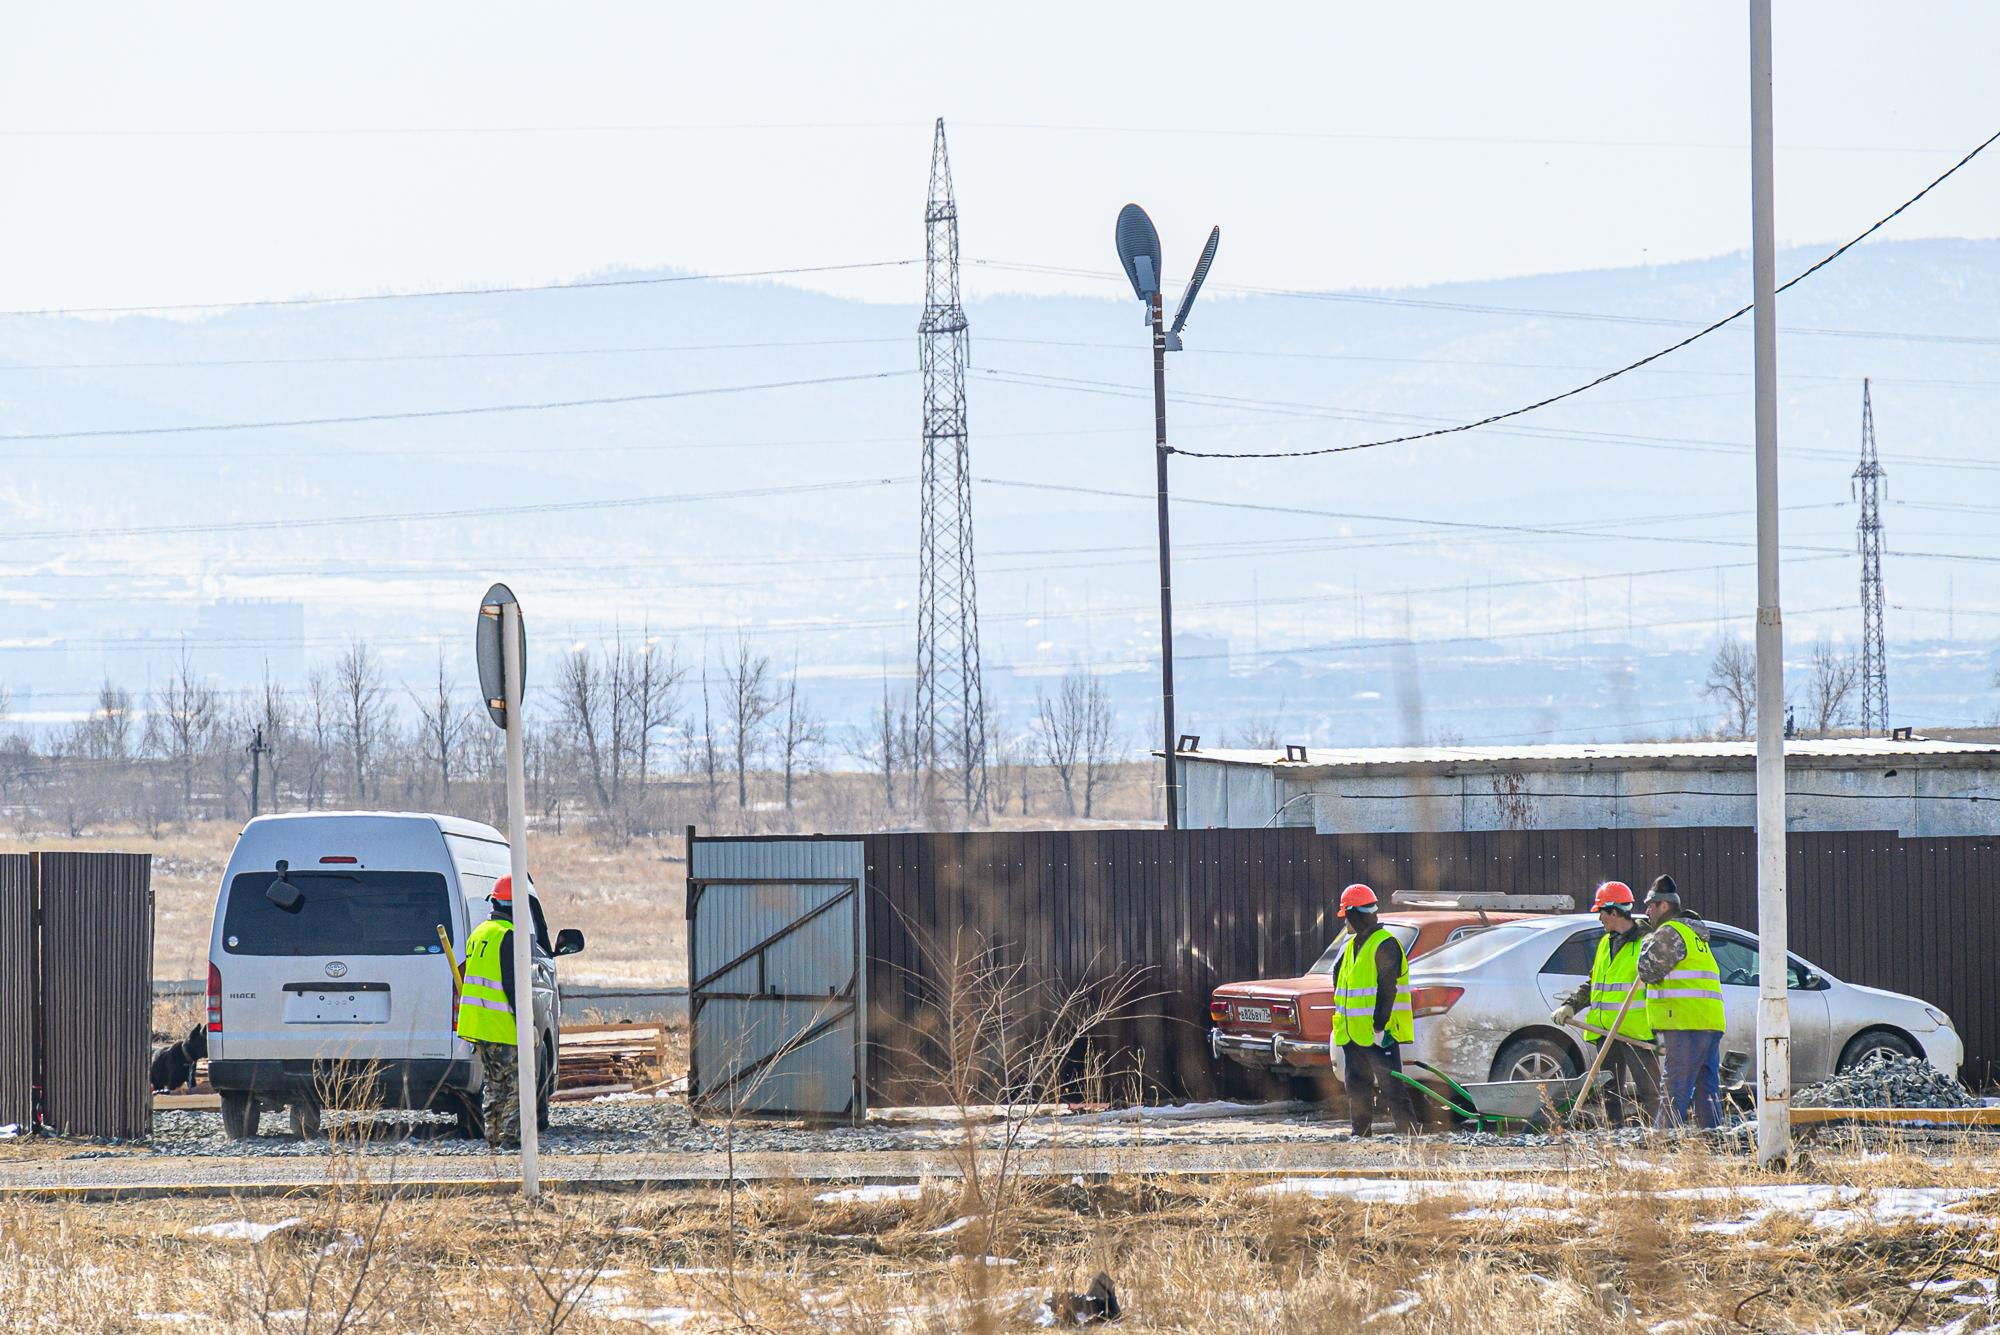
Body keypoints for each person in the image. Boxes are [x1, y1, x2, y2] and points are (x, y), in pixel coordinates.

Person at [1550, 880, 1661, 1124]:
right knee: (1610, 1093)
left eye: (1601, 912)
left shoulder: (1646, 942)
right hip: (1604, 1030)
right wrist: (1571, 1005)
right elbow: (1593, 984)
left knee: (1650, 1091)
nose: (1599, 918)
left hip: (1635, 1031)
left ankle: (1658, 1136)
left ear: (1614, 911)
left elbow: (1660, 984)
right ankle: (1616, 1134)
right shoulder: (1605, 943)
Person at [1331, 883, 1425, 1137]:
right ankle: (1360, 1134)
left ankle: (1410, 1135)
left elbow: (1388, 989)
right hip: (1353, 1034)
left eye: (1346, 917)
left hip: (1377, 1033)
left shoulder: (1385, 944)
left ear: (1353, 914)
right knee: (1357, 1087)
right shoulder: (1350, 947)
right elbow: (1341, 984)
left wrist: (1379, 1026)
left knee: (1391, 1087)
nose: (1345, 924)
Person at [1635, 874, 1725, 1130]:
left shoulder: (1670, 932)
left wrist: (1646, 942)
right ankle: (1711, 1136)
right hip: (1708, 1021)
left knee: (1675, 1085)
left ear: (1664, 906)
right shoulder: (1694, 935)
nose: (1647, 912)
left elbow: (1647, 971)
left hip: (1685, 1022)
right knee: (1706, 1086)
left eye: (1650, 906)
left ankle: (1663, 1138)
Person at [456, 874, 529, 1149]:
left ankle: (494, 1136)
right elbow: (513, 987)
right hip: (503, 1027)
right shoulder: (508, 937)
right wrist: (526, 1023)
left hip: (479, 1027)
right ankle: (510, 1140)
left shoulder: (479, 934)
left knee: (493, 1084)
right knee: (517, 1083)